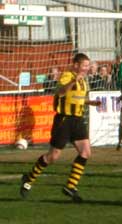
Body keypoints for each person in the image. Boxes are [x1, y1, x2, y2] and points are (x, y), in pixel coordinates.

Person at [19, 53, 102, 202]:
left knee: (86, 152)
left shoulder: (83, 80)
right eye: (84, 65)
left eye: (88, 66)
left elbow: (77, 98)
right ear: (75, 65)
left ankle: (70, 186)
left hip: (77, 119)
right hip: (64, 120)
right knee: (53, 156)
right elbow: (61, 92)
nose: (86, 68)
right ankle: (28, 179)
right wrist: (72, 81)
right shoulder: (66, 76)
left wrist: (90, 102)